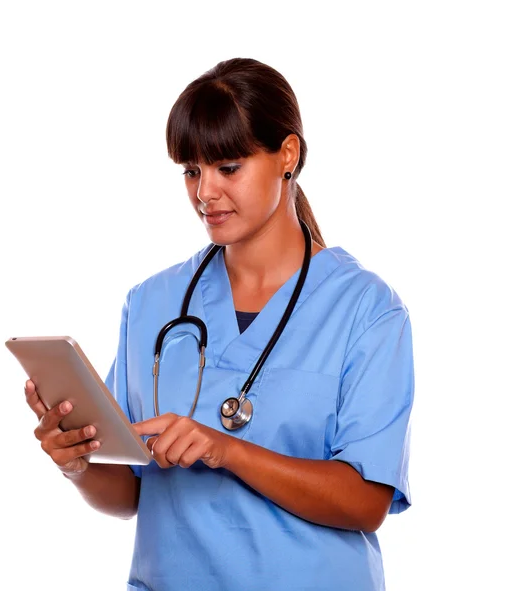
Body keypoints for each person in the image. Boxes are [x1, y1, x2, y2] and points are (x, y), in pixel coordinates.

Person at [24, 57, 414, 591]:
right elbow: (131, 493)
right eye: (191, 170)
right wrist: (77, 463)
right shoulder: (151, 304)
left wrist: (225, 450)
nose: (204, 192)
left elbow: (367, 501)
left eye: (227, 168)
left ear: (288, 156)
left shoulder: (366, 310)